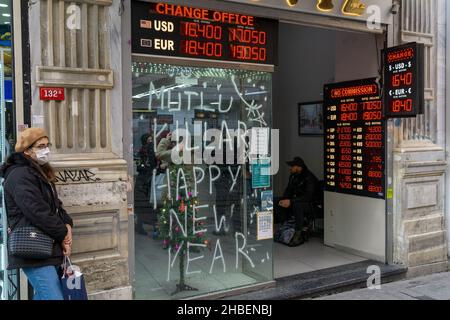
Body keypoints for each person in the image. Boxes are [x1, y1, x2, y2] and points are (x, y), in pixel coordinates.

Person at [0, 128, 73, 300]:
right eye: (41, 146)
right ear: (27, 150)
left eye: (47, 145)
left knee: (44, 295)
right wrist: (63, 234)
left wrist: (68, 224)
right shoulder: (19, 174)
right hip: (33, 248)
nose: (46, 150)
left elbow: (55, 206)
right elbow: (37, 211)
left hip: (46, 247)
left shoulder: (39, 171)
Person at [275, 157, 319, 247]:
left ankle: (298, 233)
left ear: (299, 167)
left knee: (297, 205)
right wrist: (284, 200)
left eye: (292, 166)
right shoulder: (293, 177)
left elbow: (308, 196)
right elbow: (288, 191)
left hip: (312, 204)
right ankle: (285, 227)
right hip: (297, 201)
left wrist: (291, 201)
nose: (290, 168)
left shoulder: (309, 177)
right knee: (277, 201)